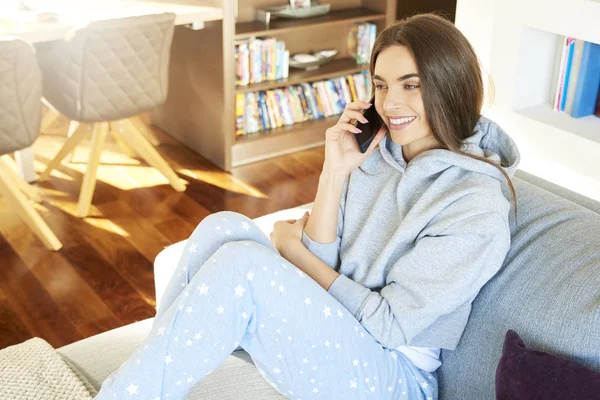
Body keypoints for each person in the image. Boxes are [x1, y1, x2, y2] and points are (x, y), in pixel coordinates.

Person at [95, 13, 520, 400]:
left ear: (450, 84)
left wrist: (296, 252)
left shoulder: (474, 205)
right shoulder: (378, 151)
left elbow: (390, 324)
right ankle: (148, 383)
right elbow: (321, 262)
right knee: (221, 226)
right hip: (339, 328)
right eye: (381, 84)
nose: (390, 104)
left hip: (393, 376)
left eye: (411, 85)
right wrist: (333, 173)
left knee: (243, 266)